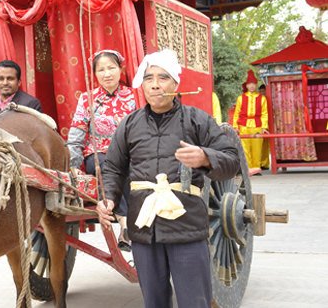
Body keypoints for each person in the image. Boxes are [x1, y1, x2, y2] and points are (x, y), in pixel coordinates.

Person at [96, 49, 239, 308]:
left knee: (194, 301)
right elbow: (114, 168)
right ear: (142, 84)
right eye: (149, 78)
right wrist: (108, 199)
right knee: (154, 302)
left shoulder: (198, 121)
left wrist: (205, 157)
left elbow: (231, 160)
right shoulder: (129, 125)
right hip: (144, 229)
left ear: (175, 83)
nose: (155, 85)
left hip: (187, 229)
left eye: (163, 78)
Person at [66, 50, 136, 250]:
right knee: (107, 167)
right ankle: (124, 225)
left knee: (131, 168)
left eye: (111, 68)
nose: (107, 73)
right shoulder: (87, 99)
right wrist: (72, 164)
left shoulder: (132, 97)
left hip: (129, 154)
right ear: (95, 74)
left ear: (120, 69)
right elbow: (77, 131)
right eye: (101, 69)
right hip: (99, 155)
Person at [232, 70, 268, 175]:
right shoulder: (240, 98)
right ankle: (247, 169)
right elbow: (237, 113)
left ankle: (256, 168)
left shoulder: (262, 98)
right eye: (249, 84)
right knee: (245, 148)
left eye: (253, 84)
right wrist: (235, 126)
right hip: (243, 125)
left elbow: (264, 113)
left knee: (257, 147)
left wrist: (264, 127)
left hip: (257, 125)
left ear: (256, 85)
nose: (252, 86)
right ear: (246, 85)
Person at [258, 84, 270, 170]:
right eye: (261, 91)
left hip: (268, 124)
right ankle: (260, 163)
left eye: (263, 91)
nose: (262, 93)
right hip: (260, 125)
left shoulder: (268, 100)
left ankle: (265, 163)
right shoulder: (259, 100)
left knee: (266, 146)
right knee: (260, 146)